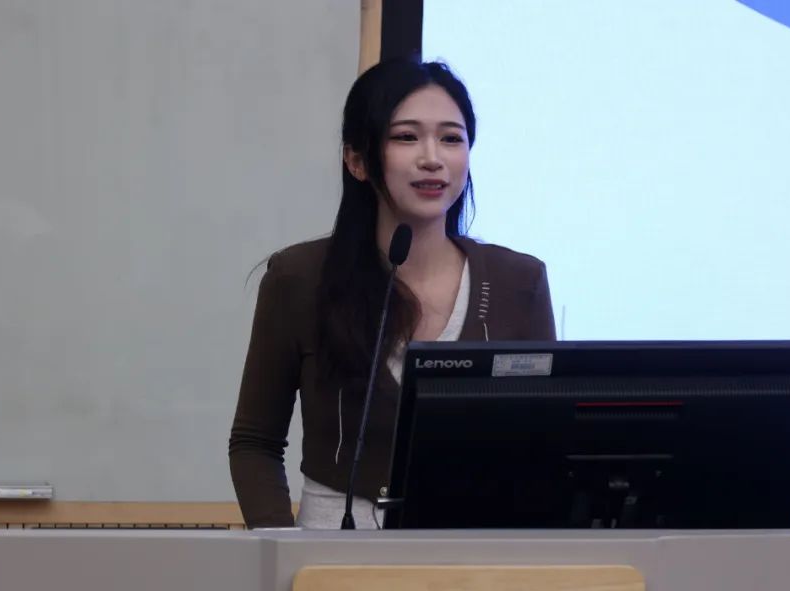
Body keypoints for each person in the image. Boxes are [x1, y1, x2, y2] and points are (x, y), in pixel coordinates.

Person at [228, 58, 556, 529]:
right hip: (331, 555)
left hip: (477, 551)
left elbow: (544, 444)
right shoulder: (299, 278)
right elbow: (255, 443)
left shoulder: (518, 281)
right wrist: (283, 551)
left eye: (451, 138)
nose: (432, 157)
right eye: (406, 137)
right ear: (357, 160)